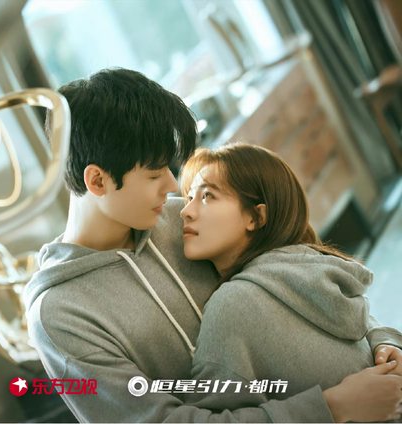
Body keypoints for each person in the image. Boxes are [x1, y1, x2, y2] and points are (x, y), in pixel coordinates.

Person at [22, 68, 402, 422]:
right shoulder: (61, 315)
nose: (173, 186)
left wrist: (381, 341)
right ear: (97, 181)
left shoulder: (183, 219)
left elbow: (303, 281)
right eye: (154, 174)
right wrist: (330, 408)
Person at [180, 143, 402, 421]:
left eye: (207, 196)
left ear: (256, 216)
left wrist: (386, 344)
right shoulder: (301, 265)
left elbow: (363, 325)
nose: (185, 211)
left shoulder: (236, 302)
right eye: (189, 197)